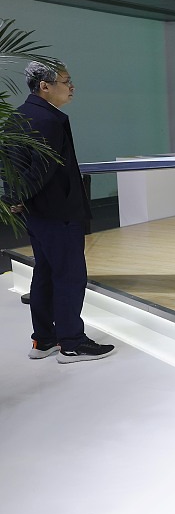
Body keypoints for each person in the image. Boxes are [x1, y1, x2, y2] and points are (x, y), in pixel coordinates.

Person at [8, 61, 115, 363]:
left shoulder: (18, 116)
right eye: (66, 82)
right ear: (45, 86)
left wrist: (16, 197)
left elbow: (12, 165)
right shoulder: (48, 120)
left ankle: (44, 340)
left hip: (36, 211)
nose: (72, 87)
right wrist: (22, 194)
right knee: (69, 275)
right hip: (58, 210)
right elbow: (42, 169)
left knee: (44, 273)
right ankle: (71, 342)